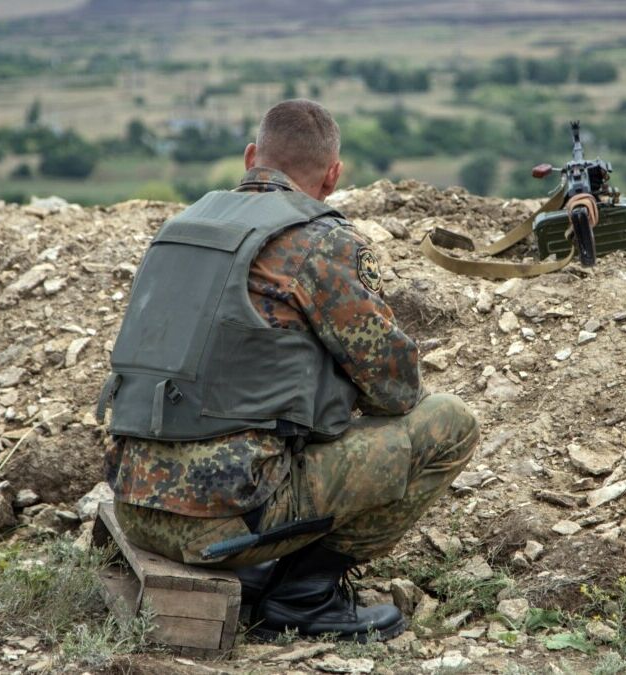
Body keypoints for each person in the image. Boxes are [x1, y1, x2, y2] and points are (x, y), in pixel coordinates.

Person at [98, 99, 479, 642]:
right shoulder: (322, 243)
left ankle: (259, 574)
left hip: (135, 505)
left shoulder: (180, 229)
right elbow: (396, 389)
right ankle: (305, 596)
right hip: (225, 521)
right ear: (332, 176)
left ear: (251, 157)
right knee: (450, 423)